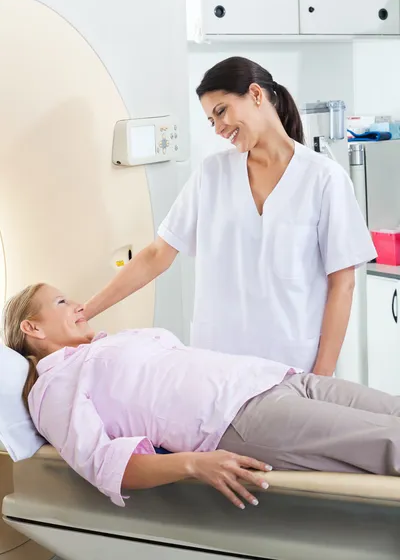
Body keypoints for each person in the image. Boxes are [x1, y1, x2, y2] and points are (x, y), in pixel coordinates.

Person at [83, 57, 376, 376]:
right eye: (211, 121)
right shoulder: (211, 174)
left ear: (255, 94)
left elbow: (342, 284)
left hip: (293, 366)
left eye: (221, 111)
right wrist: (86, 312)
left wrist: (320, 378)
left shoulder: (324, 178)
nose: (219, 128)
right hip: (216, 367)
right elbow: (156, 255)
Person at [3, 283, 400, 511]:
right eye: (61, 302)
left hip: (275, 378)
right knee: (391, 444)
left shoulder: (106, 344)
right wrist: (193, 464)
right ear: (32, 327)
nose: (76, 304)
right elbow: (103, 463)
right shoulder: (52, 388)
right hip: (238, 419)